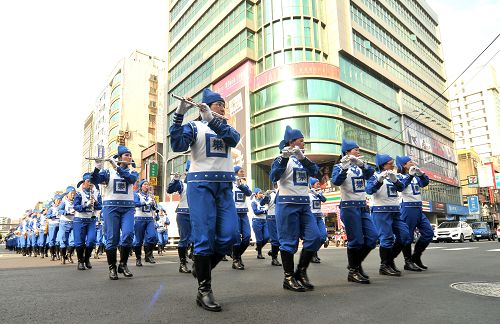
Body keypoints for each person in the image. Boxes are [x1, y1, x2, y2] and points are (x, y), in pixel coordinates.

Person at [169, 88, 240, 311]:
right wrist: (180, 112)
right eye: (218, 104)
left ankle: (202, 268)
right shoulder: (195, 127)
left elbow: (233, 139)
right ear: (207, 106)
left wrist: (212, 119)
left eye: (223, 105)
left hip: (224, 186)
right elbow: (177, 144)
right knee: (204, 237)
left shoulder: (227, 128)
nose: (222, 107)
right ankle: (204, 290)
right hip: (200, 185)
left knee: (230, 235)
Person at [269, 125, 321, 292]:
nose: (304, 144)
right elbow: (273, 177)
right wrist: (284, 158)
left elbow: (316, 172)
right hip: (286, 204)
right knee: (288, 243)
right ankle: (288, 277)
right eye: (301, 141)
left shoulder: (302, 158)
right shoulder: (280, 159)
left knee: (316, 237)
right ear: (291, 142)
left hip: (304, 205)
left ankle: (301, 271)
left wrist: (303, 158)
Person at [331, 139, 377, 284]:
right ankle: (354, 271)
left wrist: (362, 164)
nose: (358, 152)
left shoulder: (359, 167)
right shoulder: (339, 166)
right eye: (355, 150)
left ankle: (354, 265)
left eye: (358, 150)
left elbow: (371, 174)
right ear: (347, 152)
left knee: (372, 237)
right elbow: (336, 181)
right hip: (349, 206)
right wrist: (344, 168)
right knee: (356, 240)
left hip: (363, 206)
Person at [91, 145, 139, 280]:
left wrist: (117, 168)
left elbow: (130, 180)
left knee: (129, 234)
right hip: (111, 208)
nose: (129, 157)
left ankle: (123, 264)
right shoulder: (108, 172)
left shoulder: (133, 172)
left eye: (130, 155)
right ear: (119, 157)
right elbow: (94, 180)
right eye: (126, 155)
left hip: (128, 208)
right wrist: (97, 167)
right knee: (112, 238)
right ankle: (112, 267)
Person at [366, 153, 412, 276]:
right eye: (390, 164)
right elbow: (369, 190)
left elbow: (402, 187)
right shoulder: (374, 175)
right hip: (381, 211)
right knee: (387, 239)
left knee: (405, 235)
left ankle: (389, 261)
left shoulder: (394, 175)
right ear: (383, 165)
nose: (393, 166)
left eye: (393, 164)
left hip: (395, 211)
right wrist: (379, 180)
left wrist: (394, 179)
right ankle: (385, 266)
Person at [396, 156, 433, 270]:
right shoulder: (398, 176)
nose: (412, 163)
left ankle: (416, 256)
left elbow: (425, 183)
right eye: (409, 162)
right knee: (408, 236)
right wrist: (410, 175)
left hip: (418, 208)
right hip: (407, 207)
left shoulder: (416, 176)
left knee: (428, 233)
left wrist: (420, 173)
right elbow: (401, 187)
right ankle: (408, 261)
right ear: (403, 165)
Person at [167, 160, 192, 273]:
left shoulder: (202, 182)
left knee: (199, 238)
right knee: (184, 239)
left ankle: (194, 256)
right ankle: (183, 264)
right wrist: (176, 179)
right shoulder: (183, 183)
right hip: (184, 214)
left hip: (198, 214)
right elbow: (169, 190)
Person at [73, 173, 102, 270]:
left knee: (91, 241)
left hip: (91, 220)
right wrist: (85, 205)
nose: (90, 184)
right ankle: (80, 261)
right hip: (79, 220)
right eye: (88, 181)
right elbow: (76, 207)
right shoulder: (79, 193)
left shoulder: (96, 193)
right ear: (83, 183)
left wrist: (96, 202)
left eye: (92, 182)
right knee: (79, 242)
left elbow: (100, 206)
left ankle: (86, 258)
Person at [231, 166, 252, 269]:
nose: (243, 172)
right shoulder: (230, 183)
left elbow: (249, 193)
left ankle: (237, 256)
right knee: (236, 238)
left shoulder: (244, 183)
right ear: (236, 173)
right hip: (234, 213)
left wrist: (241, 185)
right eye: (241, 171)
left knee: (247, 237)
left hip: (244, 213)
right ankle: (236, 260)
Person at [133, 180, 158, 267]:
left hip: (149, 218)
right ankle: (138, 258)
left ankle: (149, 255)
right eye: (145, 184)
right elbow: (135, 203)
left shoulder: (151, 195)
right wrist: (145, 203)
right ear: (141, 186)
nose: (147, 186)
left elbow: (155, 207)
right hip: (139, 218)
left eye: (148, 184)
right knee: (139, 240)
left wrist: (154, 203)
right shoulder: (137, 194)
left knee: (152, 236)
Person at [260, 186, 281, 266]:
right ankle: (274, 258)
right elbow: (262, 203)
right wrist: (266, 196)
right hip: (272, 218)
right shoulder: (271, 195)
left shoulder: (284, 193)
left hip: (281, 218)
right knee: (275, 239)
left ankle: (273, 252)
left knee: (282, 239)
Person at [308, 178, 327, 264]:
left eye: (319, 183)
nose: (318, 185)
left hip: (319, 217)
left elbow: (324, 200)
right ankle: (313, 255)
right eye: (317, 183)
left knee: (323, 236)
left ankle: (312, 252)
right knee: (315, 237)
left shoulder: (318, 193)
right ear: (312, 185)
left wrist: (317, 193)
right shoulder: (307, 194)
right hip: (311, 217)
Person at [58, 186, 77, 264]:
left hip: (74, 222)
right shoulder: (64, 201)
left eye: (74, 194)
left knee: (72, 240)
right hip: (64, 222)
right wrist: (66, 213)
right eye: (71, 193)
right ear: (67, 194)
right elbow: (60, 210)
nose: (73, 195)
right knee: (63, 240)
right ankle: (63, 256)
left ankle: (69, 255)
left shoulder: (76, 200)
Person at [251, 188, 269, 260]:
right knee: (259, 239)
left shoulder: (264, 201)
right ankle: (259, 254)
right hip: (257, 221)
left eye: (262, 193)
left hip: (265, 221)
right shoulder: (254, 202)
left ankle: (259, 247)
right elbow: (256, 212)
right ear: (256, 194)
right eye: (260, 193)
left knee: (267, 237)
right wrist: (264, 211)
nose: (261, 194)